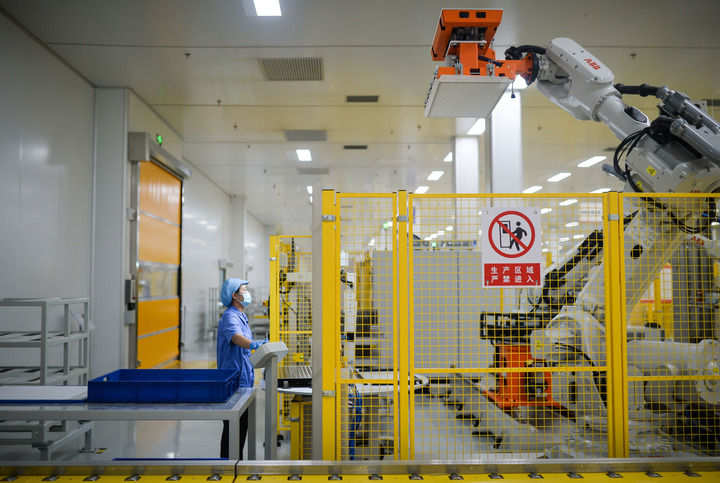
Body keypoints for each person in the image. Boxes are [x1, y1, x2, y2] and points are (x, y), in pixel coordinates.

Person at [217, 277, 266, 459]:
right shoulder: (229, 316)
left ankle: (236, 463)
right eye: (244, 290)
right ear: (235, 296)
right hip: (233, 380)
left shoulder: (241, 316)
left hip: (243, 378)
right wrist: (253, 344)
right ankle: (228, 466)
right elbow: (236, 338)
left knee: (241, 425)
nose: (247, 293)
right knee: (233, 427)